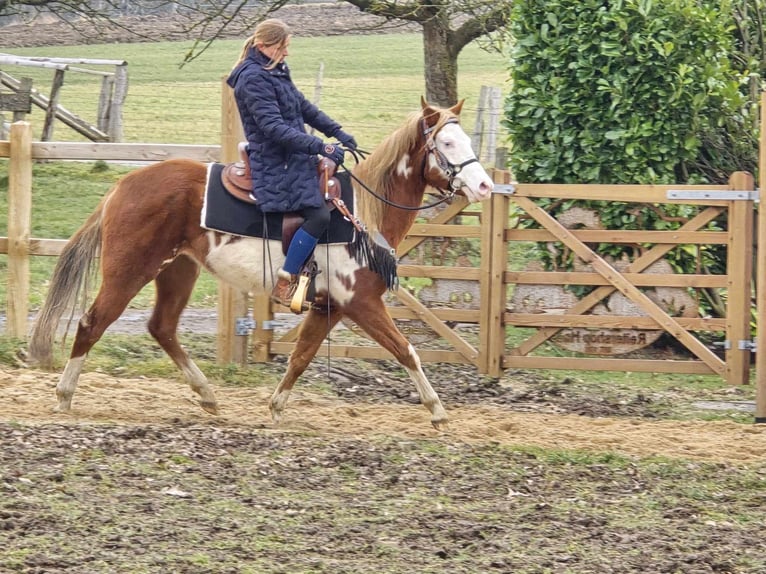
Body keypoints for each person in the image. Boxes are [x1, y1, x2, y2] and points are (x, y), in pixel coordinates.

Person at [227, 18, 357, 309]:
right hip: (275, 160)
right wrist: (320, 145)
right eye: (282, 47)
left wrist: (336, 131)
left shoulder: (274, 70)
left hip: (293, 154)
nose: (287, 53)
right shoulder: (252, 78)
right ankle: (286, 280)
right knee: (319, 216)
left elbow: (303, 107)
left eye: (287, 47)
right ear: (263, 46)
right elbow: (273, 128)